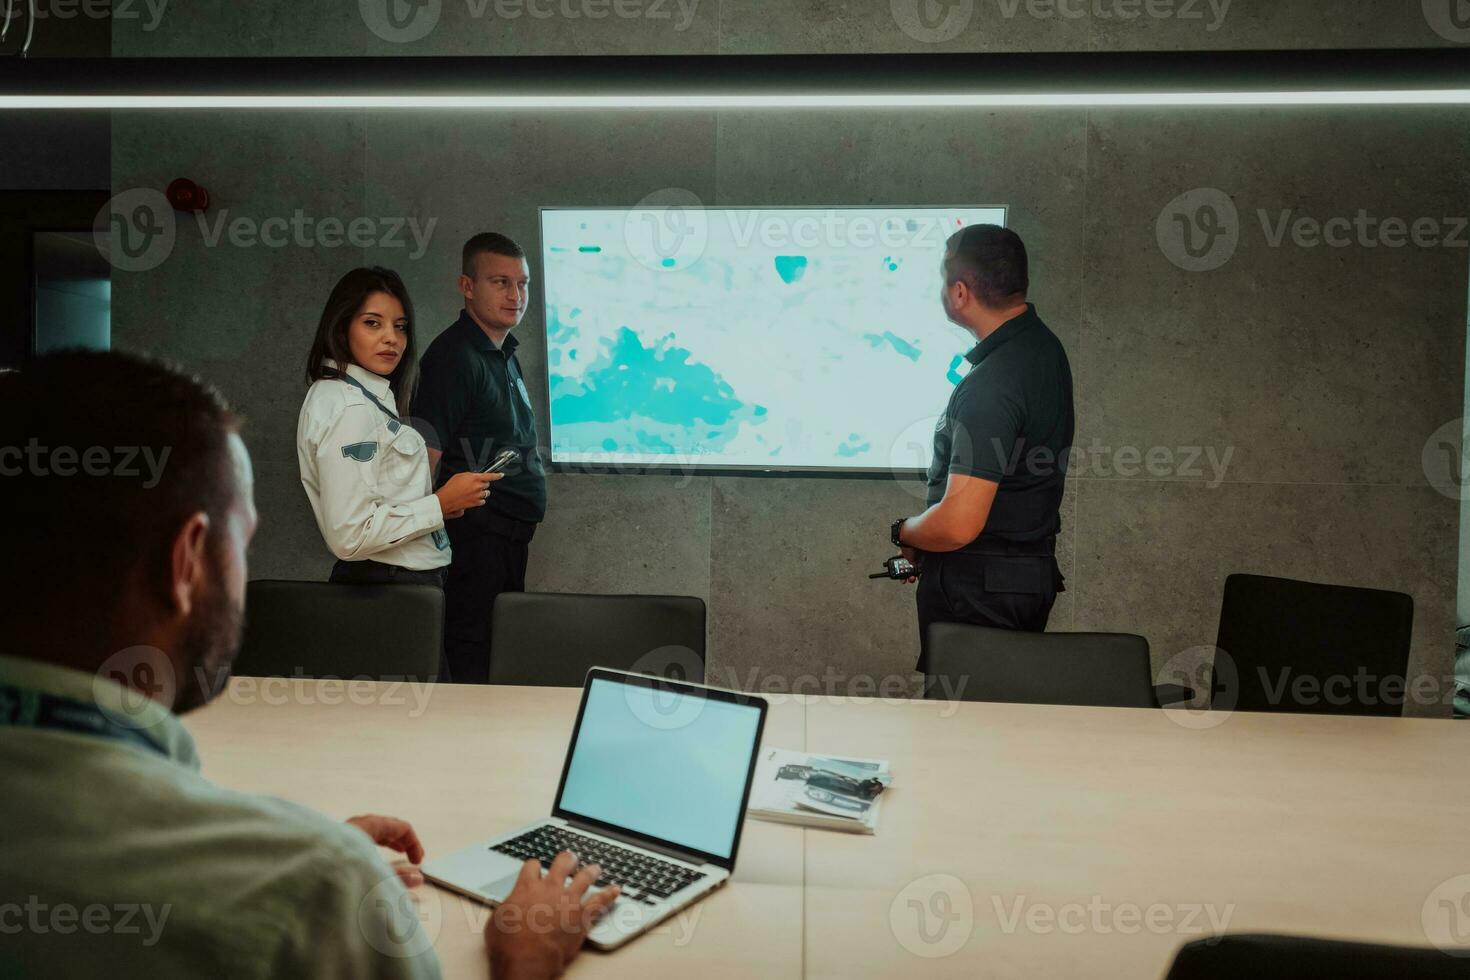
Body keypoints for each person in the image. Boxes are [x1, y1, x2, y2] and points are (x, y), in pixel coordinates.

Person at [0, 350, 618, 979]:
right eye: (240, 540)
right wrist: (525, 960)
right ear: (184, 563)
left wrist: (290, 856)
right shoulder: (313, 898)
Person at [890, 224, 1076, 675]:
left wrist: (904, 532)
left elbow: (956, 525)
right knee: (999, 726)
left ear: (959, 292)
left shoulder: (992, 383)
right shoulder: (1042, 349)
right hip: (1017, 581)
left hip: (979, 595)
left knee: (963, 732)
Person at [298, 267, 498, 592]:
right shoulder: (351, 407)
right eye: (372, 323)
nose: (392, 337)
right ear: (341, 326)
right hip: (386, 587)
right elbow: (351, 534)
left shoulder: (357, 397)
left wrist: (440, 502)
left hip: (394, 584)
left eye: (400, 326)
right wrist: (440, 504)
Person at [413, 234, 546, 684]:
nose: (516, 295)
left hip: (505, 541)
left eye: (522, 284)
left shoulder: (503, 352)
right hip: (472, 544)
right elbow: (423, 456)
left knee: (497, 657)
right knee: (472, 658)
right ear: (467, 286)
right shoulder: (453, 357)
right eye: (500, 282)